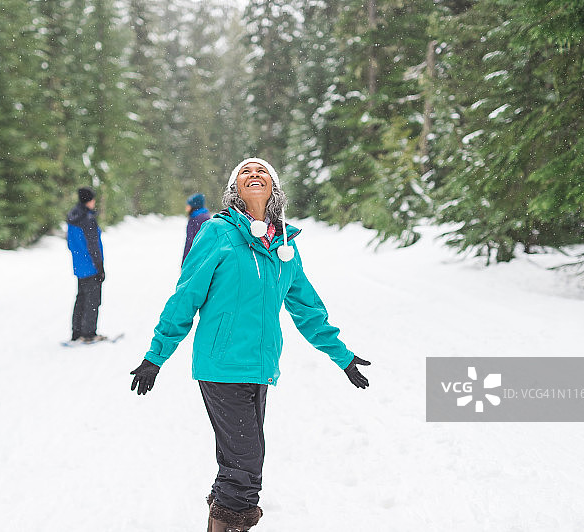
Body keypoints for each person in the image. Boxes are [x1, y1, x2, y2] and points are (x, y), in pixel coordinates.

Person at [130, 158, 370, 532]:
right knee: (245, 465)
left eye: (262, 172)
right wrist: (155, 355)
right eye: (246, 172)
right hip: (221, 365)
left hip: (261, 368)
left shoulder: (284, 247)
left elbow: (308, 310)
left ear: (274, 188)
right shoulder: (217, 233)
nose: (254, 174)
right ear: (234, 190)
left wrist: (343, 356)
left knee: (238, 464)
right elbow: (186, 297)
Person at [67, 186, 106, 343]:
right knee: (93, 301)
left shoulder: (73, 217)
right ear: (88, 200)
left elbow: (70, 243)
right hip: (91, 266)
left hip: (79, 266)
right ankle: (89, 333)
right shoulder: (87, 219)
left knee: (81, 299)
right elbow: (93, 246)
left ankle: (77, 332)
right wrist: (100, 267)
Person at [182, 193, 211, 265]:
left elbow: (190, 241)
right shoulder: (203, 217)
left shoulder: (196, 219)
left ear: (194, 206)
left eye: (188, 205)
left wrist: (185, 262)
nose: (186, 208)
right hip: (204, 258)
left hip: (196, 259)